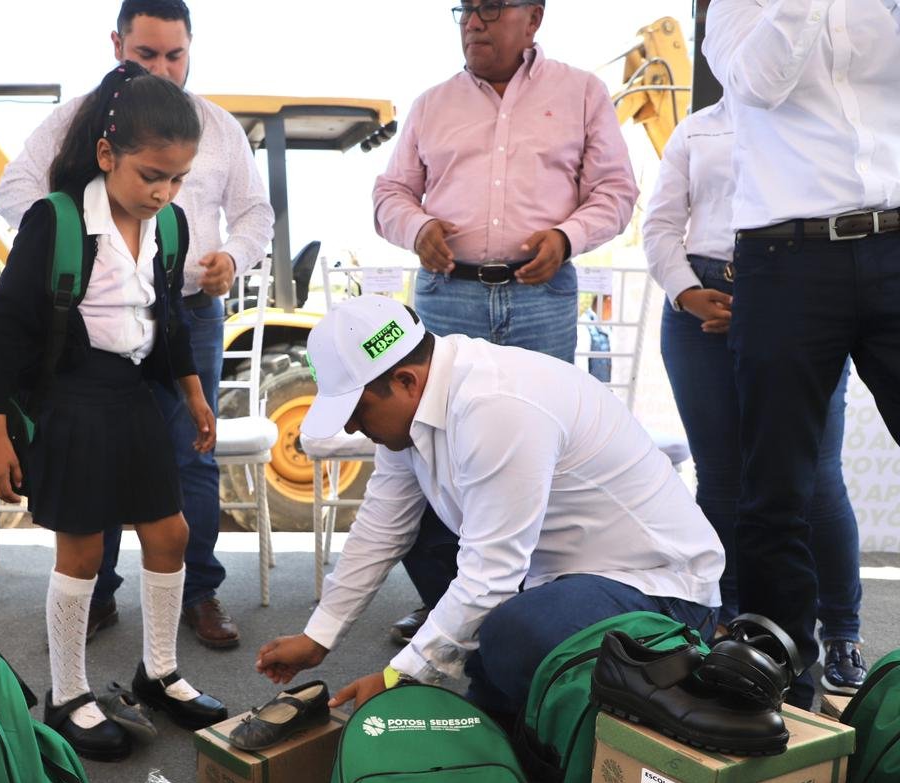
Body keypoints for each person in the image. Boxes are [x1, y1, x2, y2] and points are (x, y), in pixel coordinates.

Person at [255, 295, 723, 717]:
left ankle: (539, 698)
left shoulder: (497, 406)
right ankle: (504, 688)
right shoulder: (413, 407)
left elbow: (490, 575)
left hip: (657, 590)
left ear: (405, 380)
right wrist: (320, 635)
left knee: (510, 633)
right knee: (433, 550)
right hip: (552, 574)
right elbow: (382, 526)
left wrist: (399, 678)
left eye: (357, 412)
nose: (354, 428)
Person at [0, 0, 274, 650]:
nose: (162, 68)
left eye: (175, 55)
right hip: (94, 322)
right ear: (116, 44)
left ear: (190, 49)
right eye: (146, 54)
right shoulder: (75, 121)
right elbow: (15, 190)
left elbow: (256, 212)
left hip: (188, 313)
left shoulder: (219, 127)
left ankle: (199, 593)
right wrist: (82, 246)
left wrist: (233, 257)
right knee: (96, 451)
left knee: (190, 457)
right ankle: (96, 592)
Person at [0, 64, 228, 761]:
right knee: (83, 549)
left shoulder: (170, 227)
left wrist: (193, 391)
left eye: (177, 179)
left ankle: (159, 671)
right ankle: (68, 693)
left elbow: (169, 317)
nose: (164, 192)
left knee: (170, 533)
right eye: (152, 175)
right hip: (72, 398)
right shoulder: (56, 220)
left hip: (133, 395)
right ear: (107, 155)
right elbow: (1, 327)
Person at [372, 0, 639, 644]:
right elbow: (389, 195)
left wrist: (567, 237)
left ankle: (531, 609)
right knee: (434, 447)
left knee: (538, 451)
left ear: (535, 17)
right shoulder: (431, 104)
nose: (474, 23)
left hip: (540, 297)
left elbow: (616, 191)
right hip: (448, 294)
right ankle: (445, 606)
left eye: (491, 8)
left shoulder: (582, 92)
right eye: (465, 9)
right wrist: (419, 227)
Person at [704, 0, 900, 707]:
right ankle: (787, 692)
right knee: (776, 486)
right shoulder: (737, 7)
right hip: (787, 260)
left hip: (896, 240)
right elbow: (757, 84)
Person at [643, 99, 867, 694]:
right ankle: (732, 621)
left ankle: (842, 628)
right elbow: (661, 224)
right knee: (720, 477)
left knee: (815, 477)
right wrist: (688, 293)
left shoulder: (821, 116)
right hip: (700, 298)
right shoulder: (695, 128)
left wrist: (767, 307)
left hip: (799, 294)